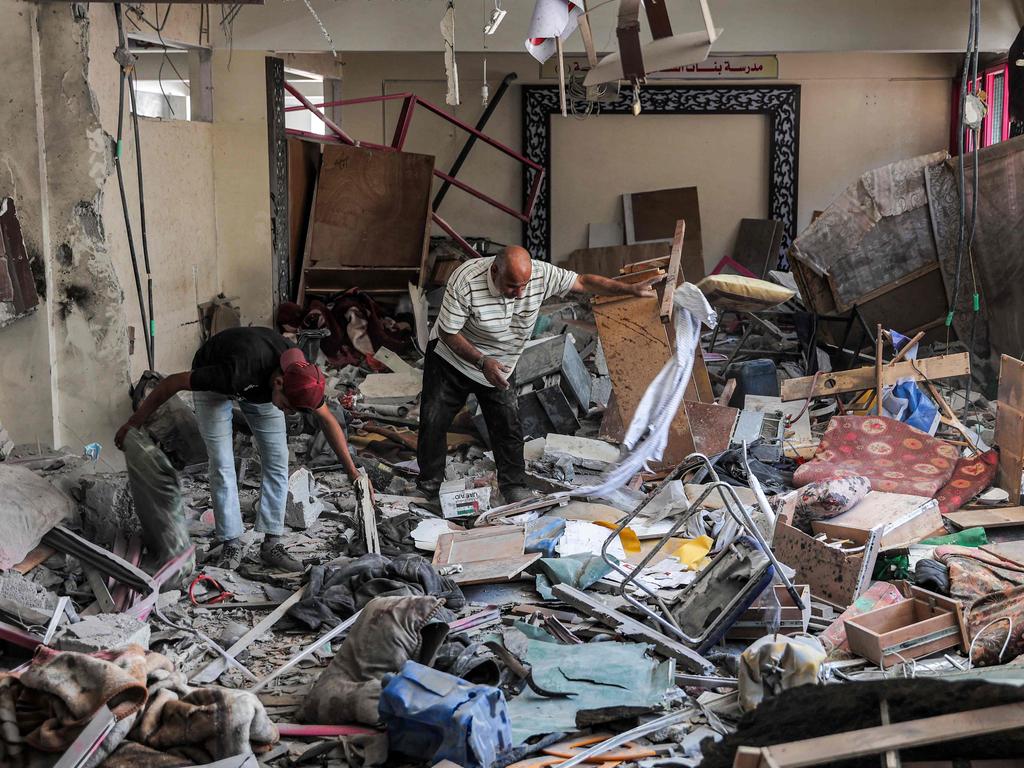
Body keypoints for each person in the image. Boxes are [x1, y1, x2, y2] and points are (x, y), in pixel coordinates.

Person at [417, 245, 657, 505]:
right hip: (452, 358)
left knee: (507, 424)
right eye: (511, 286)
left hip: (501, 364)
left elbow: (582, 281)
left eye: (524, 285)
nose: (520, 293)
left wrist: (629, 289)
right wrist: (482, 361)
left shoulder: (541, 275)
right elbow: (448, 332)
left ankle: (514, 486)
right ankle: (429, 487)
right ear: (494, 270)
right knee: (434, 420)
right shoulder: (466, 280)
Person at [115, 327, 361, 572]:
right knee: (222, 462)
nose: (288, 412)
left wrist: (354, 475)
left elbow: (328, 421)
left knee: (278, 459)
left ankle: (271, 544)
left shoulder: (303, 379)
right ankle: (231, 542)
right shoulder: (233, 372)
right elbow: (171, 383)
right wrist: (133, 423)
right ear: (278, 382)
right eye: (287, 406)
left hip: (258, 387)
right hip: (218, 378)